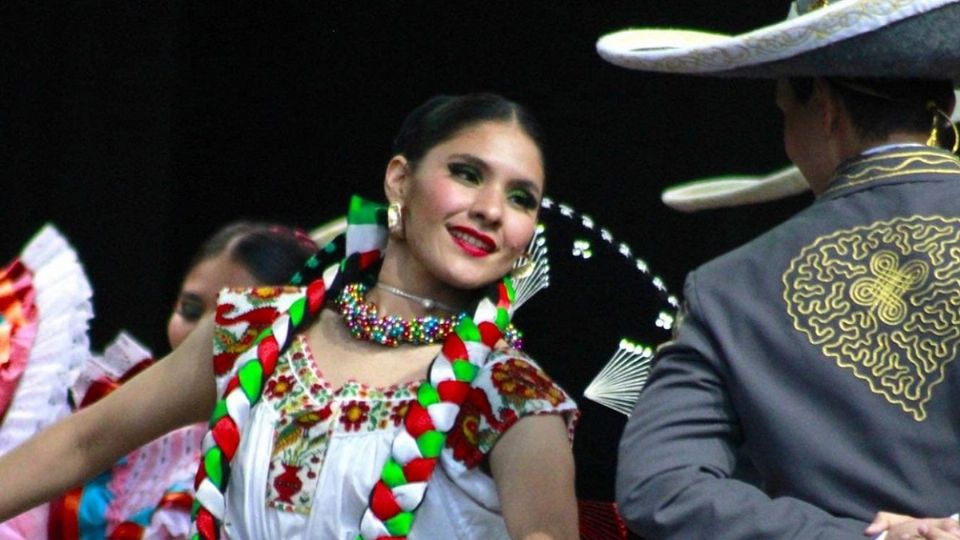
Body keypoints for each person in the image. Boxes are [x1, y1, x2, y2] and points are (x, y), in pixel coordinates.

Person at [0, 93, 579, 540]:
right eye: (468, 173)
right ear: (399, 179)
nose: (491, 210)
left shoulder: (512, 397)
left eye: (521, 198)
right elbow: (85, 442)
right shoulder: (255, 332)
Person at [596, 1, 960, 539]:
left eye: (785, 111)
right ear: (945, 103)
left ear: (827, 108)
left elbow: (662, 485)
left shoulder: (727, 289)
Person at [41, 221, 317, 539]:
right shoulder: (132, 423)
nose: (203, 333)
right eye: (190, 309)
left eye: (236, 319)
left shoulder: (294, 456)